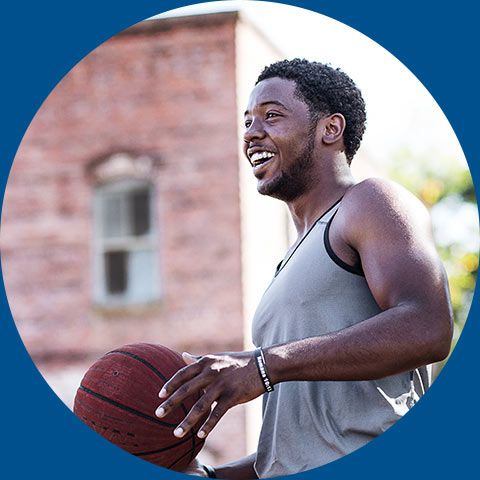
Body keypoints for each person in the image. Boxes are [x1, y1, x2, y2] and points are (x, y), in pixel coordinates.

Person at [155, 59, 453, 478]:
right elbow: (299, 444)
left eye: (271, 116)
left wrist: (263, 366)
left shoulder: (370, 202)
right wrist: (210, 475)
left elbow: (429, 326)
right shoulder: (292, 258)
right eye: (247, 122)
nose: (251, 133)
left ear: (330, 129)